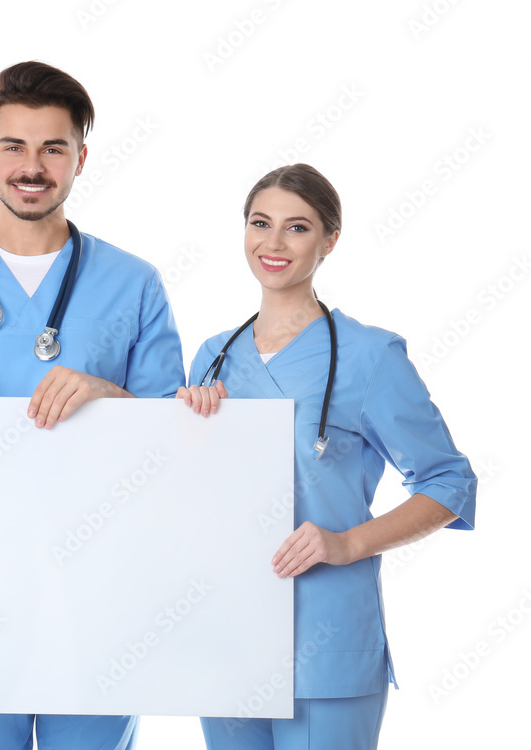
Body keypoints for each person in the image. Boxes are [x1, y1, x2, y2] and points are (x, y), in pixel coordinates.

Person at [0, 61, 185, 750]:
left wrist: (113, 396)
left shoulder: (134, 284)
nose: (32, 165)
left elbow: (179, 439)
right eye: (14, 146)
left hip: (97, 590)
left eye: (53, 147)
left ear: (81, 158)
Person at [178, 163, 477, 749]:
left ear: (329, 241)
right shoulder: (212, 357)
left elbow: (449, 482)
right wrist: (186, 435)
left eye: (297, 228)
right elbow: (191, 498)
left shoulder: (370, 356)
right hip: (228, 636)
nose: (273, 242)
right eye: (260, 223)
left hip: (328, 642)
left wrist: (346, 543)